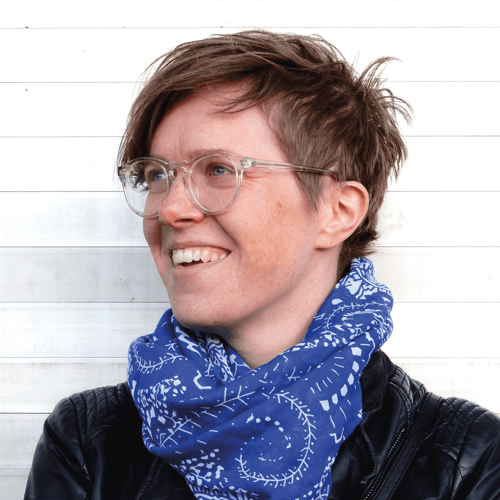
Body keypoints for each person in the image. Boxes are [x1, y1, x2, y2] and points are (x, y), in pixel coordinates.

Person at [25, 30, 500, 500]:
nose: (169, 209)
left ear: (338, 212)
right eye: (156, 175)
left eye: (218, 170)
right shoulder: (89, 445)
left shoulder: (464, 463)